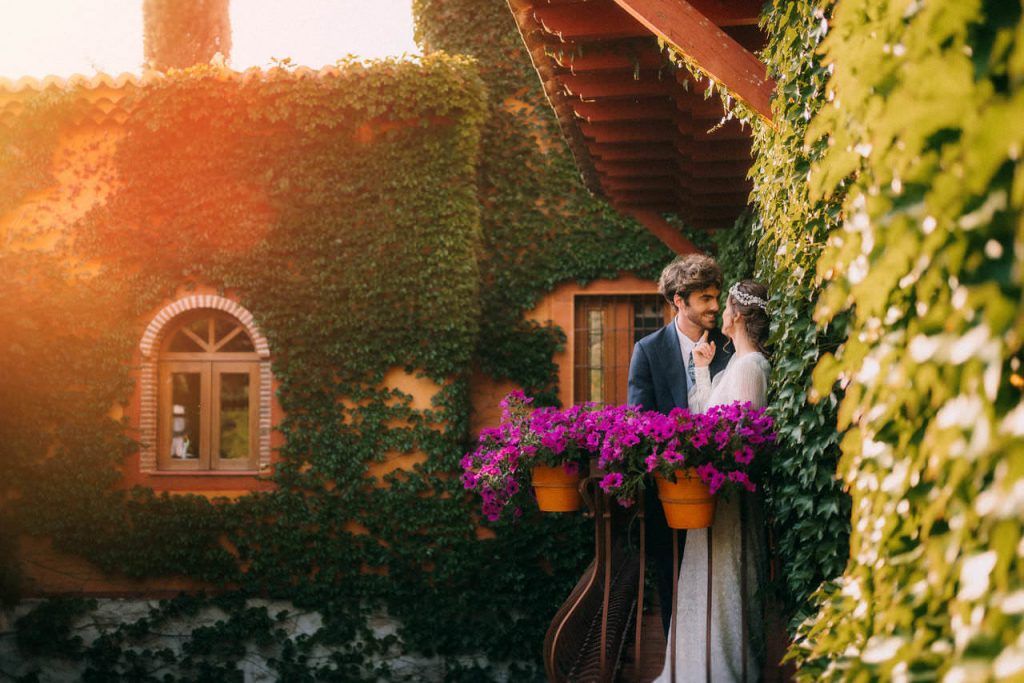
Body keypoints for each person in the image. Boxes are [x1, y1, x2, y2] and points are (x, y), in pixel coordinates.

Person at [655, 279, 772, 683]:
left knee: (726, 590)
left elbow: (736, 438)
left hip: (730, 502)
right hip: (712, 499)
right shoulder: (733, 366)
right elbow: (706, 420)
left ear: (737, 316)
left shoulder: (752, 366)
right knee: (705, 586)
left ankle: (723, 670)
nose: (719, 310)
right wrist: (703, 371)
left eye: (725, 306)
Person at [627, 255, 733, 637]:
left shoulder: (730, 348)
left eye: (715, 297)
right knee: (671, 586)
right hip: (668, 495)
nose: (714, 306)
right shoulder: (648, 350)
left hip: (722, 495)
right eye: (705, 298)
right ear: (678, 300)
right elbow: (639, 421)